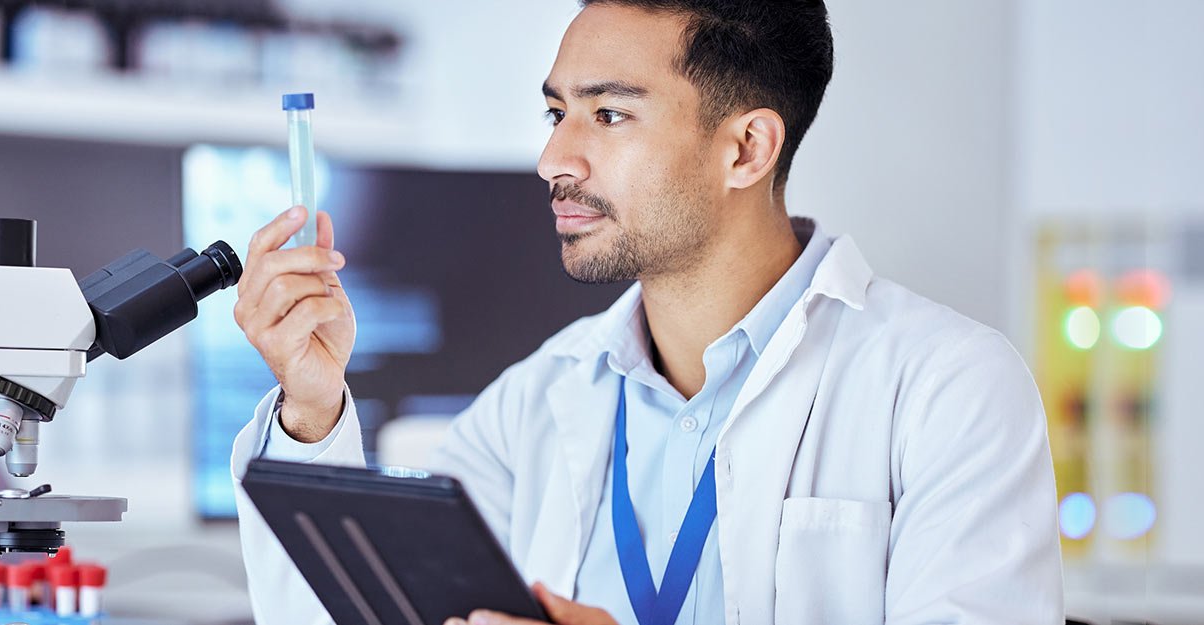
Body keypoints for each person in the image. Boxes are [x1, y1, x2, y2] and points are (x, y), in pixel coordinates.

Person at [228, 1, 1062, 623]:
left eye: (609, 114)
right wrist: (311, 406)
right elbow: (360, 607)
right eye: (557, 112)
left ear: (746, 149)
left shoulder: (948, 387)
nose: (553, 157)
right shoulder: (539, 399)